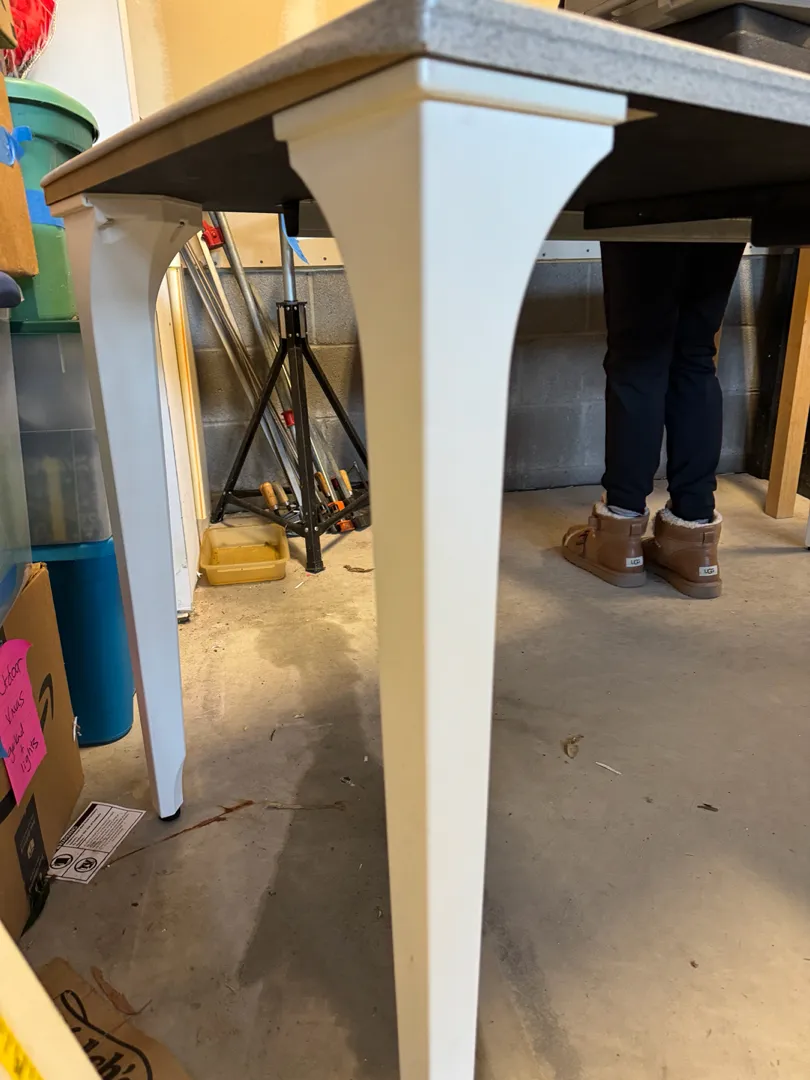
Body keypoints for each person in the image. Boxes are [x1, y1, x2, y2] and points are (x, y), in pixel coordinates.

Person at [562, 241, 745, 600]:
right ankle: (694, 543)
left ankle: (619, 538)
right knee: (696, 355)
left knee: (639, 354)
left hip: (646, 207)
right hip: (725, 208)